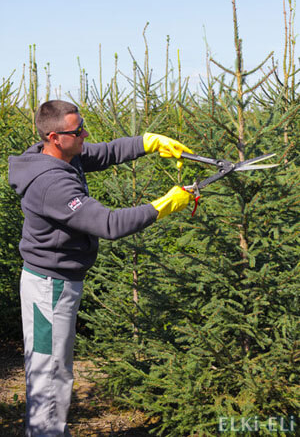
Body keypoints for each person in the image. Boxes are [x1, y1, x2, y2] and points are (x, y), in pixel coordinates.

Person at [8, 100, 194, 436]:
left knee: (52, 369)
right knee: (50, 375)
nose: (85, 135)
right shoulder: (52, 184)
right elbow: (108, 224)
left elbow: (105, 152)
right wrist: (164, 205)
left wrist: (148, 142)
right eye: (78, 131)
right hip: (50, 286)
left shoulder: (59, 153)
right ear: (55, 136)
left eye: (82, 127)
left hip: (58, 280)